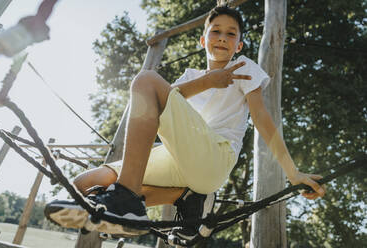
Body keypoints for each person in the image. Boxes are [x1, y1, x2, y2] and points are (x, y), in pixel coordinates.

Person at [45, 5, 326, 241]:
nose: (222, 38)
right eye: (215, 31)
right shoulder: (191, 76)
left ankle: (127, 199)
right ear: (203, 40)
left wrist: (292, 173)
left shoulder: (243, 68)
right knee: (86, 183)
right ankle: (180, 198)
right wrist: (208, 81)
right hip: (181, 162)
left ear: (238, 45)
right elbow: (163, 104)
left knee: (145, 80)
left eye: (231, 34)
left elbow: (263, 119)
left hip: (215, 157)